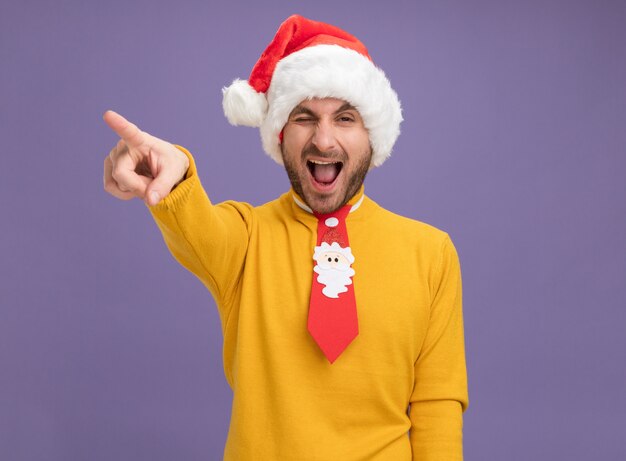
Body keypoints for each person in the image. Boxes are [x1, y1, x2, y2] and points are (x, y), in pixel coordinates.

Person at [103, 14, 468, 461]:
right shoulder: (244, 239)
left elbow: (437, 409)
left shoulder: (430, 254)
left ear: (372, 134)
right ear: (280, 133)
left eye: (345, 118)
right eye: (304, 118)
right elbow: (197, 225)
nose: (325, 140)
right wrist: (173, 169)